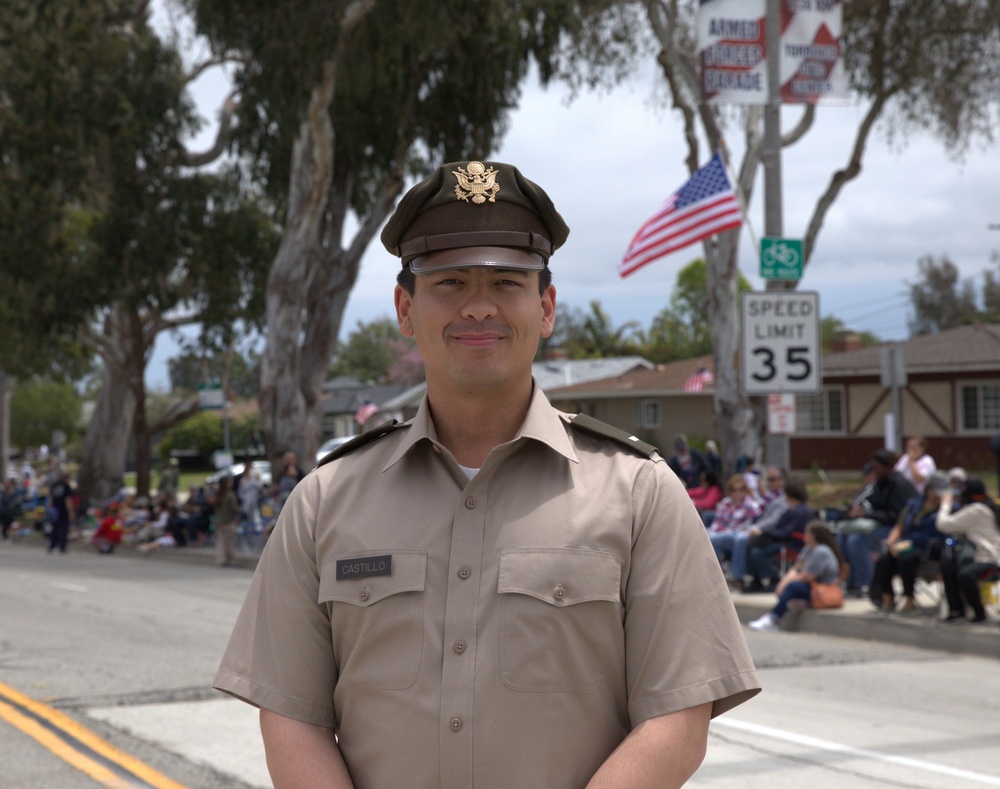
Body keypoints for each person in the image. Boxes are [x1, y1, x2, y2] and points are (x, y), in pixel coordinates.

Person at [214, 159, 760, 788]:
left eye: (507, 282)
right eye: (448, 282)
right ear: (405, 308)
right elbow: (291, 714)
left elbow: (680, 716)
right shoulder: (325, 500)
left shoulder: (639, 492)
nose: (478, 308)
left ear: (546, 307)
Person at [837, 449, 918, 597]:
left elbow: (898, 516)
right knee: (843, 537)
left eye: (877, 467)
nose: (874, 471)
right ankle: (851, 582)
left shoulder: (899, 485)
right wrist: (858, 510)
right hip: (879, 524)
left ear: (887, 467)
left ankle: (866, 584)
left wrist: (868, 514)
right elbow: (873, 505)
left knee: (857, 540)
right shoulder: (879, 484)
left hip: (897, 530)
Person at [871, 471, 948, 615]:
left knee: (907, 558)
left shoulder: (946, 508)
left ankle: (909, 600)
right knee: (885, 559)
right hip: (909, 544)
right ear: (928, 489)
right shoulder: (914, 504)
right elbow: (900, 526)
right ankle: (887, 599)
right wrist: (891, 543)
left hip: (930, 547)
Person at [748, 520, 846, 632]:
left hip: (823, 590)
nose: (804, 535)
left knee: (794, 586)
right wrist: (782, 583)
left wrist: (786, 584)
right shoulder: (809, 549)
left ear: (813, 535)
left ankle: (772, 619)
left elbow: (808, 577)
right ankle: (774, 616)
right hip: (813, 589)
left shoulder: (821, 551)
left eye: (806, 532)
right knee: (789, 587)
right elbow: (796, 568)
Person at [936, 478, 1000, 623]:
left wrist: (946, 503)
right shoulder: (984, 507)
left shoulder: (977, 510)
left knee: (966, 574)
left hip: (991, 558)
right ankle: (956, 610)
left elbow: (944, 524)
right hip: (980, 555)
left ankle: (979, 613)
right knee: (948, 564)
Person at [744, 477, 813, 593]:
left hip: (792, 543)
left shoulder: (800, 511)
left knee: (758, 552)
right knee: (750, 545)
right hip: (783, 539)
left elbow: (786, 531)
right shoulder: (792, 509)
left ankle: (772, 578)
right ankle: (756, 578)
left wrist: (765, 533)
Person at [708, 474, 763, 583]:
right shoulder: (725, 503)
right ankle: (710, 574)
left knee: (737, 539)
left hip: (740, 533)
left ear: (745, 490)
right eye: (734, 490)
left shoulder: (750, 504)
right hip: (724, 534)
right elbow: (716, 523)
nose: (738, 493)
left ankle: (736, 577)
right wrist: (716, 532)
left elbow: (759, 518)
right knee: (707, 535)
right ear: (730, 491)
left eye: (741, 489)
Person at [210, 475, 239, 567]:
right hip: (228, 521)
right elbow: (234, 508)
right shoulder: (230, 494)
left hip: (219, 521)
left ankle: (220, 559)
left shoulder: (219, 494)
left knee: (221, 541)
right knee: (229, 541)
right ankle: (230, 559)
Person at [47, 470, 75, 554]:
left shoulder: (54, 486)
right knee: (64, 529)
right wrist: (71, 512)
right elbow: (68, 500)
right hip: (64, 510)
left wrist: (49, 509)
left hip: (55, 510)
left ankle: (52, 545)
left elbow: (50, 499)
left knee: (54, 528)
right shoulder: (66, 487)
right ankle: (62, 546)